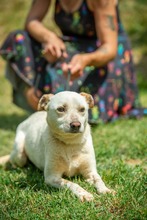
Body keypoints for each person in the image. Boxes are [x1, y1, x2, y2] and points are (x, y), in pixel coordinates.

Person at [0, 0, 147, 124]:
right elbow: (32, 21)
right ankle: (37, 107)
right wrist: (49, 38)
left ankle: (71, 113)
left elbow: (109, 48)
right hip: (72, 49)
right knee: (18, 38)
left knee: (72, 99)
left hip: (105, 56)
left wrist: (86, 60)